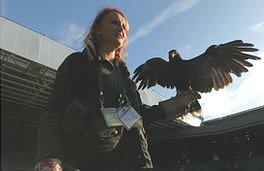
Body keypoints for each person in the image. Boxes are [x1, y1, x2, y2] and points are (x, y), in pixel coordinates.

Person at [35, 7, 201, 171]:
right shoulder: (77, 63)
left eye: (125, 28)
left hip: (127, 164)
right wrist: (49, 158)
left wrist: (178, 103)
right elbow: (53, 112)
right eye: (115, 22)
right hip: (81, 163)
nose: (121, 29)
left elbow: (138, 117)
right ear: (98, 29)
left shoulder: (125, 79)